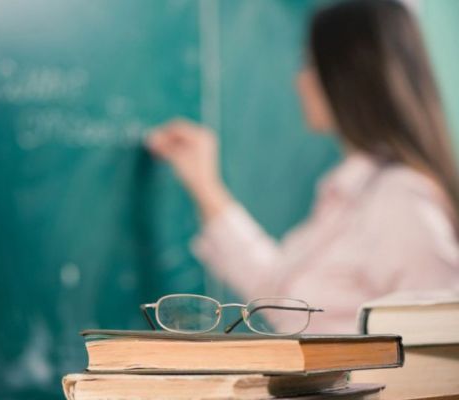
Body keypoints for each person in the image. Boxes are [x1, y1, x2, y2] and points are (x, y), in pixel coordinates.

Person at [146, 0, 459, 333]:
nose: (300, 80)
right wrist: (206, 188)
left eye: (309, 63)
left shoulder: (401, 200)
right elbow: (282, 297)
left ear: (349, 75)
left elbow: (437, 339)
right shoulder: (352, 192)